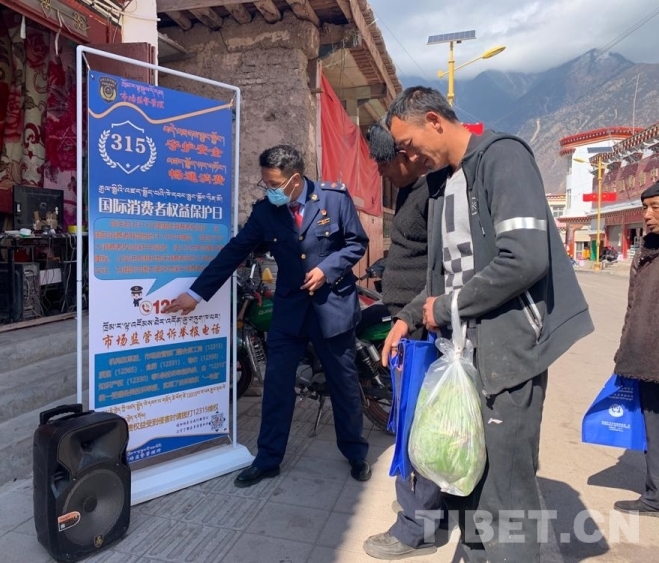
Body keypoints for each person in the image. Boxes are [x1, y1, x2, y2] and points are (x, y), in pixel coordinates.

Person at [382, 86, 594, 562]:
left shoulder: (503, 158)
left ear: (434, 121)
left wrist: (444, 309)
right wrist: (409, 317)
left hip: (507, 354)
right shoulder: (443, 185)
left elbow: (524, 259)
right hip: (464, 355)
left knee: (506, 495)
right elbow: (441, 277)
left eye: (408, 145)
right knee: (467, 480)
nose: (408, 157)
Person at [162, 144, 371, 487]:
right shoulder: (266, 212)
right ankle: (268, 458)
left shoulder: (334, 199)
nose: (269, 190)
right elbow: (235, 251)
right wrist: (196, 294)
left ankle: (355, 452)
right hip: (290, 311)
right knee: (276, 385)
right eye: (265, 183)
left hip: (332, 306)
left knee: (344, 384)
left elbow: (356, 243)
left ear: (295, 180)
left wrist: (327, 270)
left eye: (274, 184)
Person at [361, 121, 442, 560]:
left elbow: (440, 271)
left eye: (384, 164)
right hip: (407, 322)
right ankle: (424, 509)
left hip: (420, 327)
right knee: (413, 420)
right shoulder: (413, 193)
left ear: (406, 154)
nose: (381, 173)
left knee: (416, 426)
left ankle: (415, 527)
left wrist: (409, 319)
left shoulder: (434, 193)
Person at [613, 182, 659, 518]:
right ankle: (655, 495)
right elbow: (634, 305)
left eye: (656, 207)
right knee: (653, 428)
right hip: (647, 357)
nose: (647, 215)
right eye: (645, 208)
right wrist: (626, 347)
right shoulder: (646, 250)